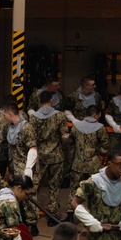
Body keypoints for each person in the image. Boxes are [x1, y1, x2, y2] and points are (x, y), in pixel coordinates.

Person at [28, 90, 69, 220]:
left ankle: (32, 214)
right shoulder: (60, 116)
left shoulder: (33, 117)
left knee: (35, 185)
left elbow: (31, 137)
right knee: (54, 186)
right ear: (51, 101)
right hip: (56, 156)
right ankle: (53, 215)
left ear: (39, 102)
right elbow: (65, 136)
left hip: (39, 156)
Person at [63, 104, 109, 206]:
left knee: (74, 189)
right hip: (94, 164)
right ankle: (93, 212)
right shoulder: (100, 128)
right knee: (95, 188)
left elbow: (71, 142)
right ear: (96, 115)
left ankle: (71, 211)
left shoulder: (76, 126)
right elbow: (105, 147)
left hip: (78, 163)